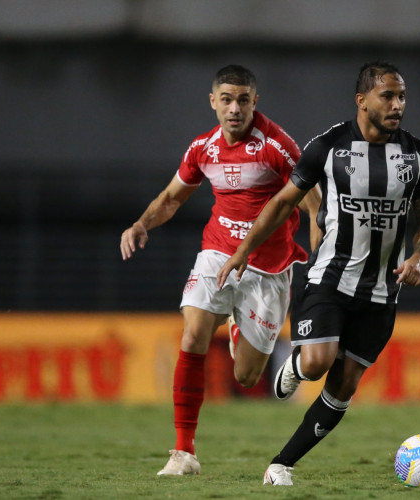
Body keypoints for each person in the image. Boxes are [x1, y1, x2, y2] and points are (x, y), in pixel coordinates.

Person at [217, 61, 420, 486]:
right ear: (362, 101)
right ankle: (299, 363)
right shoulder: (328, 147)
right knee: (318, 362)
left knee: (344, 385)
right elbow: (283, 203)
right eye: (388, 96)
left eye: (402, 96)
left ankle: (280, 464)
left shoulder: (416, 156)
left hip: (380, 292)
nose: (397, 105)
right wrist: (244, 250)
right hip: (329, 278)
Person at [120, 64, 322, 476]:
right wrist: (141, 223)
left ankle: (236, 326)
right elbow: (172, 197)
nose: (235, 108)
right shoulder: (203, 148)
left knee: (247, 377)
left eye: (243, 100)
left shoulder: (277, 146)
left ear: (254, 102)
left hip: (269, 266)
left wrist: (318, 247)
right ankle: (183, 453)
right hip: (217, 254)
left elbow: (312, 200)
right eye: (226, 99)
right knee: (193, 334)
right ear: (213, 102)